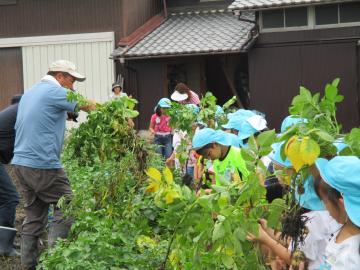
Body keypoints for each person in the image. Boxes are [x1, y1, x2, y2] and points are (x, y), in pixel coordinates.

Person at [12, 60, 96, 270]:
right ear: (59, 76)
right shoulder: (54, 91)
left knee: (34, 217)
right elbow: (89, 105)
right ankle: (57, 262)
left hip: (21, 163)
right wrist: (118, 112)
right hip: (43, 164)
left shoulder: (31, 93)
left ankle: (28, 266)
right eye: (71, 79)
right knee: (67, 206)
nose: (73, 85)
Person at [315, 156, 360, 270]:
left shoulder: (350, 257)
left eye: (324, 201)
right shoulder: (344, 228)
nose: (325, 208)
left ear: (341, 203)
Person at [0, 95, 22, 257]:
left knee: (4, 199)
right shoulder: (22, 111)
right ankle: (4, 247)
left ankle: (4, 241)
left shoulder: (13, 110)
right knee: (10, 197)